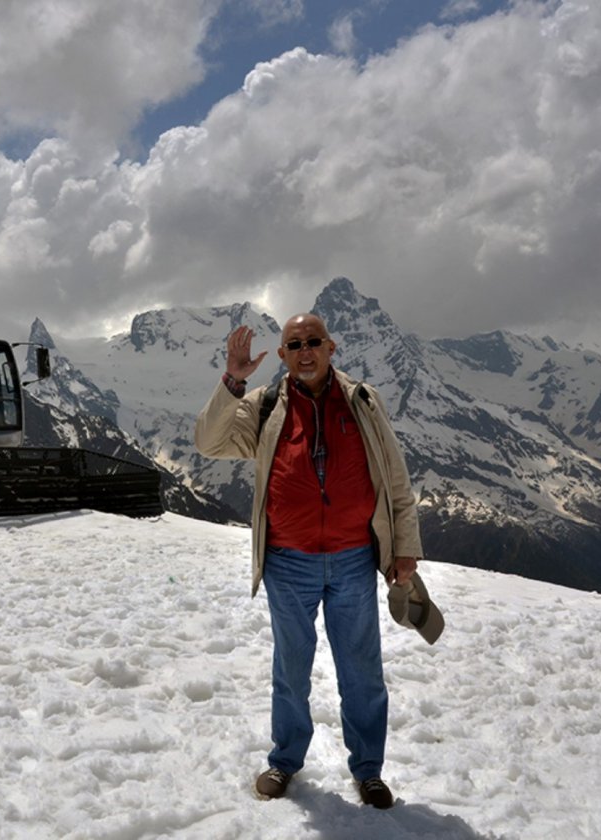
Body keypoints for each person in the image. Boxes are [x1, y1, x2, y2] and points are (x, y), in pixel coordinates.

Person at [194, 313, 443, 809]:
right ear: (282, 355)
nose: (304, 351)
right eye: (294, 345)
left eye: (312, 342)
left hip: (353, 558)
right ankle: (285, 761)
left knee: (362, 671)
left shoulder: (363, 402)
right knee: (291, 669)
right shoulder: (264, 406)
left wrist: (404, 549)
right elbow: (209, 442)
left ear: (331, 347)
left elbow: (395, 479)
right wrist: (233, 382)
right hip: (288, 562)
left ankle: (368, 771)